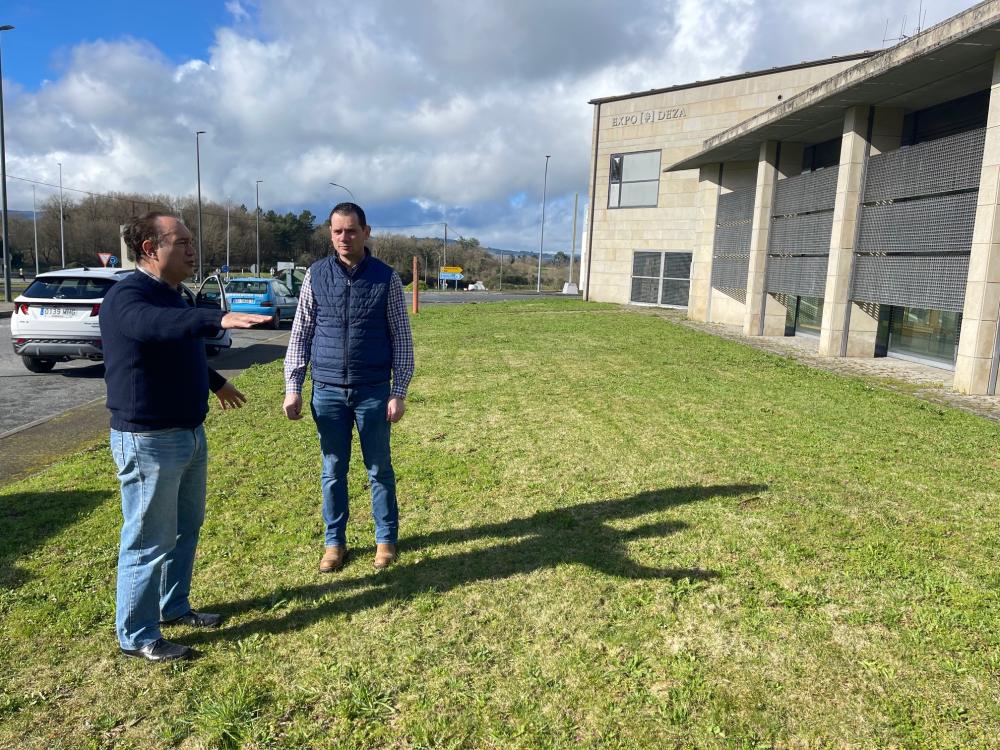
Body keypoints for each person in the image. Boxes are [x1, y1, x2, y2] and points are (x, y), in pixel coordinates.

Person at [101, 212, 272, 662]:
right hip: (149, 438)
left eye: (192, 241)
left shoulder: (176, 296)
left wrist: (216, 383)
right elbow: (152, 327)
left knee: (184, 529)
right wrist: (217, 318)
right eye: (182, 242)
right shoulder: (128, 296)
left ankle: (172, 607)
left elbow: (180, 347)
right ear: (149, 249)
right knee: (148, 538)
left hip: (189, 433)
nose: (193, 249)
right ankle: (136, 635)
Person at [283, 202, 413, 573]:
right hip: (326, 391)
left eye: (351, 231)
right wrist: (293, 387)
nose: (344, 238)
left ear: (366, 232)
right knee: (332, 470)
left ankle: (385, 540)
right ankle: (334, 543)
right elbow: (301, 333)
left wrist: (398, 391)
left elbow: (401, 338)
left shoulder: (386, 278)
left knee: (378, 469)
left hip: (372, 391)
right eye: (337, 231)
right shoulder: (315, 275)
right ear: (330, 234)